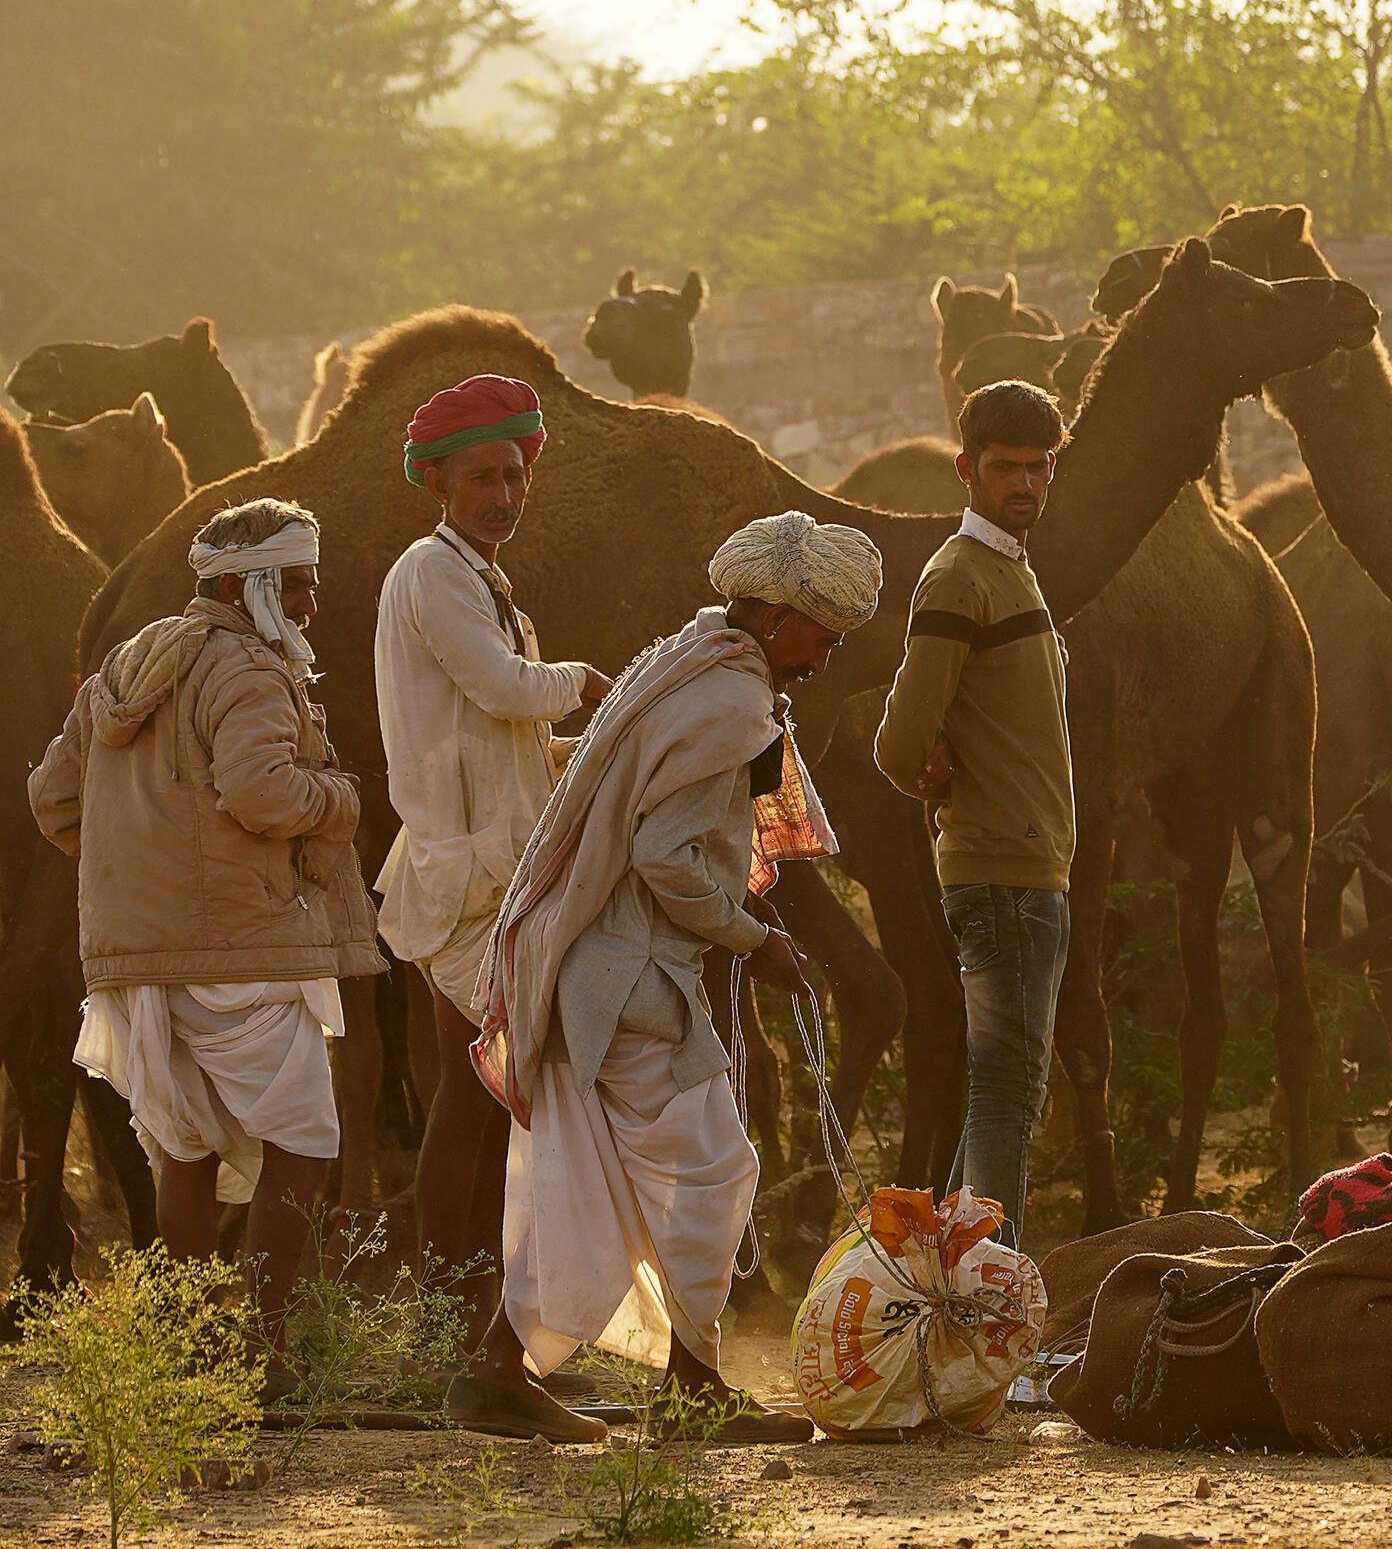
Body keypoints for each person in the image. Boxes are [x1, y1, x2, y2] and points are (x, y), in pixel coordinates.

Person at [448, 510, 882, 1444]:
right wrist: (748, 938)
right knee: (716, 1173)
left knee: (591, 1186)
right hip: (630, 981)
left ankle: (503, 1370)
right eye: (824, 631)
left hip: (604, 973)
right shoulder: (727, 702)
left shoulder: (689, 655)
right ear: (776, 618)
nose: (831, 651)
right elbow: (664, 855)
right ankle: (686, 1388)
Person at [29, 498, 382, 1386]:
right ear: (243, 584)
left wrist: (141, 864)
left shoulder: (122, 667)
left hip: (136, 961)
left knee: (183, 1149)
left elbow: (53, 801)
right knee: (303, 1143)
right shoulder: (250, 673)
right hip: (245, 951)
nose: (309, 603)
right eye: (295, 583)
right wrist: (340, 800)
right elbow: (263, 796)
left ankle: (185, 1354)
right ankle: (265, 1358)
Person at [376, 373, 611, 1358]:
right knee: (470, 1114)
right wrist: (595, 688)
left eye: (514, 476)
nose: (503, 496)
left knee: (474, 1110)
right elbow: (505, 688)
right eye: (482, 478)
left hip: (486, 870)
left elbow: (505, 732)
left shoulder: (475, 579)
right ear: (437, 482)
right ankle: (471, 1347)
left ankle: (478, 1339)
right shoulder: (432, 574)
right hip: (467, 877)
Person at [874, 380, 1076, 1249]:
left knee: (1005, 1095)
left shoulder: (1005, 570)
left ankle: (945, 1298)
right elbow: (896, 740)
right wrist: (939, 782)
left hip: (1027, 874)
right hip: (1001, 876)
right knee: (1006, 1097)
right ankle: (995, 1319)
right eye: (1005, 469)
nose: (1023, 484)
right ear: (966, 471)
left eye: (1038, 468)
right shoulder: (958, 577)